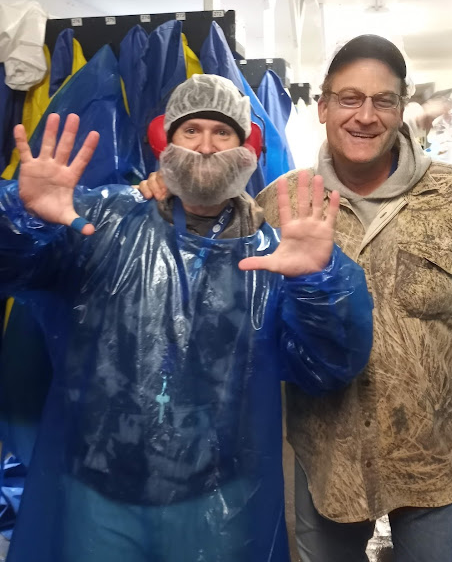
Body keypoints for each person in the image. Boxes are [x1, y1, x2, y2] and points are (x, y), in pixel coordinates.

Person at [140, 36, 452, 562]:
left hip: (438, 461)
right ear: (323, 106)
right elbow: (209, 248)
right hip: (330, 463)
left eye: (383, 101)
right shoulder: (279, 203)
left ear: (401, 109)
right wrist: (174, 187)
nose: (366, 116)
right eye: (350, 98)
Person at [0, 74, 374, 562]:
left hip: (214, 499)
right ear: (166, 142)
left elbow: (328, 366)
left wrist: (317, 283)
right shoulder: (103, 224)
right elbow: (14, 268)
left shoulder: (275, 257)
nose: (206, 146)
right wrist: (23, 217)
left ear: (247, 148)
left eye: (222, 133)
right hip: (99, 489)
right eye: (191, 130)